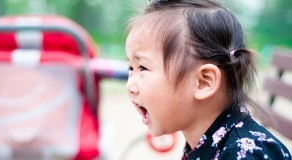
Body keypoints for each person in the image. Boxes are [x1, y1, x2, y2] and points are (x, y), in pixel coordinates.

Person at [125, 0, 292, 159]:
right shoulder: (205, 138)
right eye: (131, 68)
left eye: (143, 68)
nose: (130, 86)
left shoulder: (247, 153)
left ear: (204, 82)